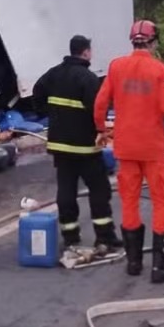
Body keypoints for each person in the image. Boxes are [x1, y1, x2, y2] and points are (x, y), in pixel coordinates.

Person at [94, 20, 164, 282]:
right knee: (161, 202)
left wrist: (102, 129)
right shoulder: (160, 69)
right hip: (152, 148)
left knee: (130, 201)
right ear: (153, 42)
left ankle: (134, 263)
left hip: (125, 146)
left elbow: (101, 103)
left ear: (132, 41)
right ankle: (160, 268)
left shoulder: (116, 66)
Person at [33, 35, 121, 251]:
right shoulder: (88, 78)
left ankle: (70, 236)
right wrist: (102, 131)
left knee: (66, 191)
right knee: (99, 190)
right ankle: (105, 237)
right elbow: (97, 110)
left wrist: (51, 115)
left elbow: (37, 94)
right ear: (86, 52)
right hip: (85, 147)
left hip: (60, 146)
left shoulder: (53, 74)